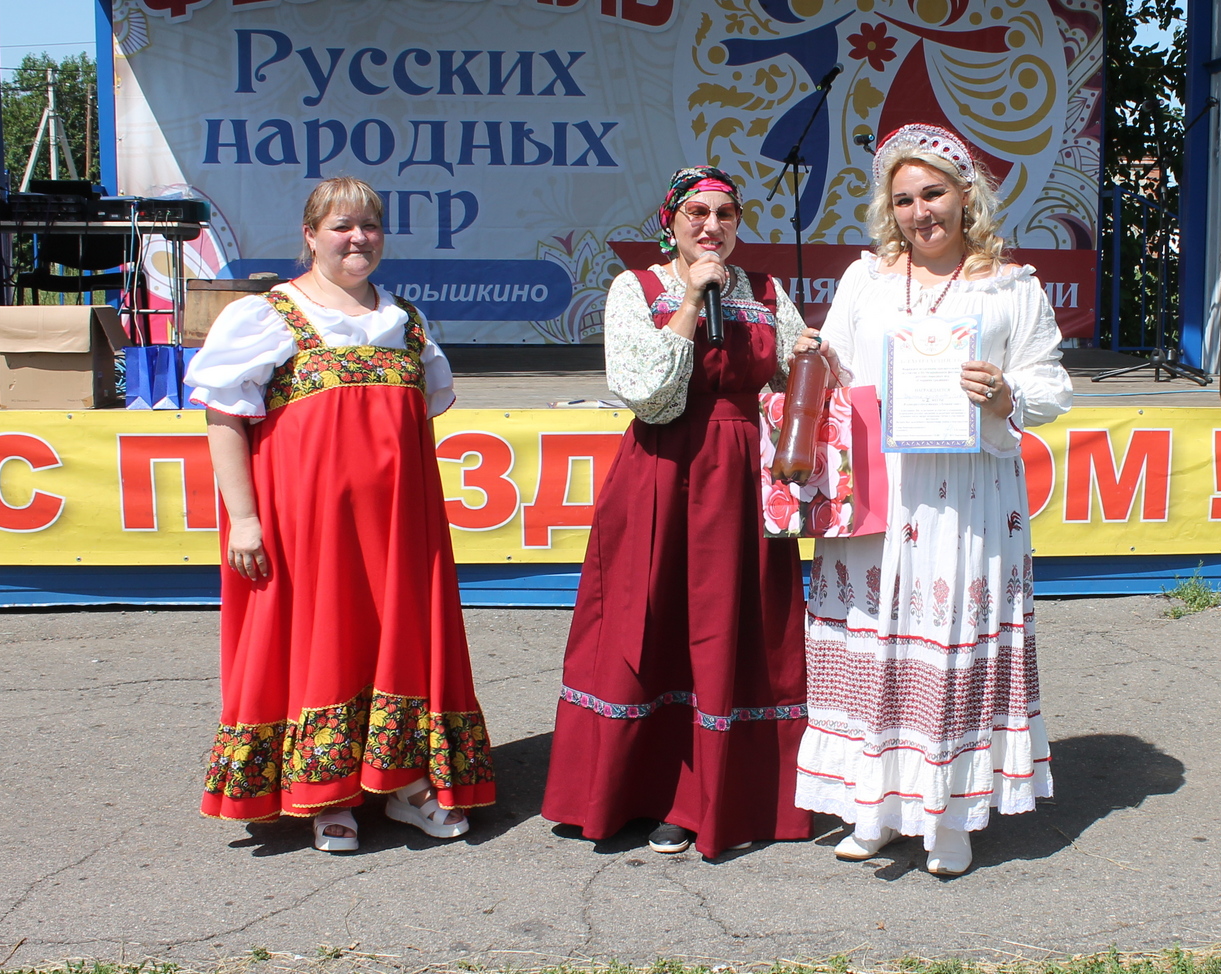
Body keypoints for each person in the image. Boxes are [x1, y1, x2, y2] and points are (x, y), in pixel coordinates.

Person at [794, 124, 1073, 876]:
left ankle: (949, 812)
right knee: (874, 637)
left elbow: (1052, 385)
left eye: (934, 193)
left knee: (949, 637)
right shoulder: (866, 281)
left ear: (966, 195)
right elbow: (838, 366)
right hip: (880, 490)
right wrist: (812, 354)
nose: (921, 212)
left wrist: (1007, 394)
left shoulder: (1010, 288)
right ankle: (874, 807)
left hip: (966, 496)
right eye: (904, 199)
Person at [189, 177, 497, 852]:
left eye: (370, 225)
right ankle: (328, 792)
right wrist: (244, 518)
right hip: (309, 529)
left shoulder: (405, 321)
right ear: (310, 235)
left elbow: (409, 424)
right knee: (323, 639)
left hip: (400, 527)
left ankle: (405, 781)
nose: (358, 238)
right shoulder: (268, 315)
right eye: (341, 226)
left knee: (402, 639)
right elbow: (223, 417)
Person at [543, 166, 819, 859]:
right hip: (661, 472)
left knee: (736, 628)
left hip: (742, 480)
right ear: (670, 222)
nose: (711, 226)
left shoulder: (766, 292)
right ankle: (638, 791)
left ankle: (716, 799)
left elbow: (791, 382)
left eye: (725, 214)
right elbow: (650, 394)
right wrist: (692, 299)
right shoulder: (636, 289)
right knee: (649, 621)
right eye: (696, 212)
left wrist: (810, 357)